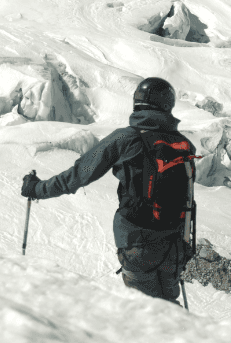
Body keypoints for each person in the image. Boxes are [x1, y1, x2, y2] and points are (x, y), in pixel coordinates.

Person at [20, 77, 197, 303]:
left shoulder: (127, 138)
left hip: (138, 242)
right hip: (174, 246)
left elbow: (78, 175)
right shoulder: (184, 145)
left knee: (145, 311)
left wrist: (37, 189)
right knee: (168, 310)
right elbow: (188, 197)